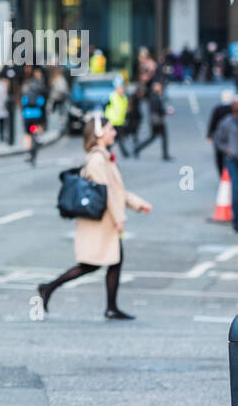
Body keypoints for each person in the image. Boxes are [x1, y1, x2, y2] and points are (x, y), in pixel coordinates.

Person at [38, 117, 152, 319]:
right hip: (101, 222)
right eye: (110, 129)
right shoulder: (97, 160)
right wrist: (119, 218)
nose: (114, 133)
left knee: (111, 262)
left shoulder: (103, 158)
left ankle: (110, 306)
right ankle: (49, 287)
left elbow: (116, 191)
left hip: (105, 221)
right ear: (99, 133)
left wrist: (137, 204)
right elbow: (106, 194)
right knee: (91, 264)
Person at [134, 81, 173, 160]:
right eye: (157, 86)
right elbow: (157, 109)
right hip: (157, 121)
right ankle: (165, 155)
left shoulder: (158, 96)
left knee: (154, 137)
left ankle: (138, 149)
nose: (159, 87)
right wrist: (166, 112)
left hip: (157, 121)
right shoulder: (154, 97)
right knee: (159, 137)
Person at [215, 102, 238, 231]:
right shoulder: (227, 122)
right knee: (236, 190)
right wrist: (227, 150)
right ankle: (236, 222)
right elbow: (219, 140)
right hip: (233, 159)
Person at [206, 89, 236, 177]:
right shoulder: (232, 109)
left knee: (219, 157)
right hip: (231, 137)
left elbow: (213, 122)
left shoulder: (218, 109)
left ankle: (222, 175)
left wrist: (209, 134)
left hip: (220, 136)